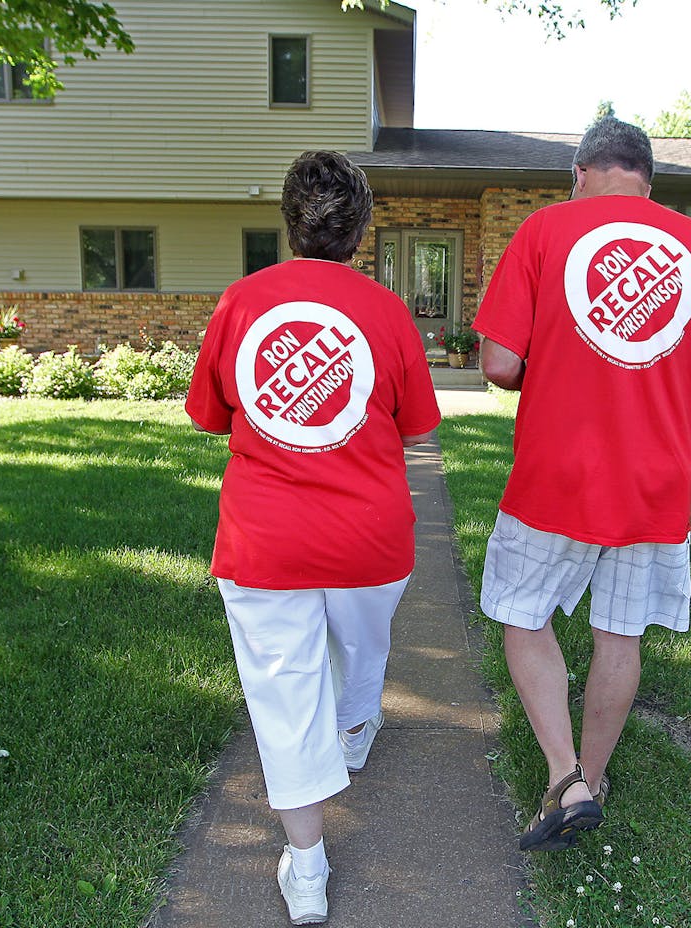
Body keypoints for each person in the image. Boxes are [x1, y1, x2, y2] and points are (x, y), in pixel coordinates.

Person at [471, 117, 691, 852]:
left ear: (581, 172)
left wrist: (556, 366)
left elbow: (497, 364)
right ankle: (596, 773)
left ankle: (566, 778)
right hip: (655, 481)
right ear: (648, 178)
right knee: (619, 633)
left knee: (523, 614)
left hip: (558, 474)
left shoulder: (545, 232)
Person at [185, 150, 441, 923]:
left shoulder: (241, 302)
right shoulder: (388, 313)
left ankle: (306, 867)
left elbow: (209, 414)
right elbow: (418, 427)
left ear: (290, 223)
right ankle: (357, 729)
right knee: (362, 653)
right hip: (369, 538)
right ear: (361, 229)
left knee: (284, 697)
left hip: (265, 542)